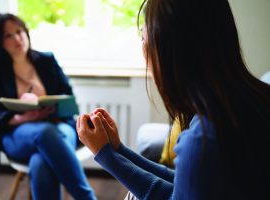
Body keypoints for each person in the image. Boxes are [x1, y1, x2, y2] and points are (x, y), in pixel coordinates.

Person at [76, 0, 270, 199]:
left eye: (144, 35)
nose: (143, 46)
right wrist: (118, 150)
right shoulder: (251, 100)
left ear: (171, 50)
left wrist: (106, 155)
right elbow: (182, 183)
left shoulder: (203, 140)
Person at [0, 13, 96, 200]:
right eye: (8, 35)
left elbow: (68, 96)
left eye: (19, 31)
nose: (17, 38)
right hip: (17, 133)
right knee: (44, 133)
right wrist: (22, 117)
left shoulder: (47, 61)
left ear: (26, 32)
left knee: (41, 161)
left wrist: (50, 105)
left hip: (59, 124)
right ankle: (87, 197)